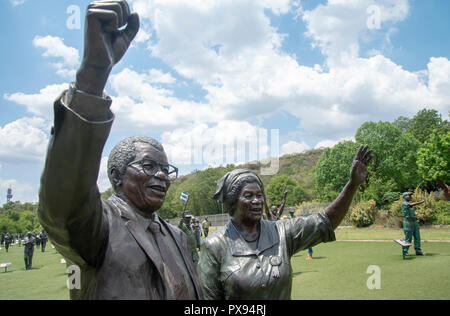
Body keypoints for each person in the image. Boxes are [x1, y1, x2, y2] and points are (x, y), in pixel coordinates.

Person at [38, 0, 202, 300]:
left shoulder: (177, 236)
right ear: (116, 176)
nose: (162, 177)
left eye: (166, 170)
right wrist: (93, 75)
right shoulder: (99, 228)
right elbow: (66, 203)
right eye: (149, 167)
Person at [198, 145, 372, 299]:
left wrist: (352, 185)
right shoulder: (214, 246)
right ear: (232, 202)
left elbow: (325, 221)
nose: (257, 201)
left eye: (260, 195)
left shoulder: (281, 232)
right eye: (248, 196)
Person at [401, 192, 425, 256]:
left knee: (417, 237)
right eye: (408, 195)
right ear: (404, 197)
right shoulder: (404, 203)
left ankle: (418, 250)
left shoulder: (409, 203)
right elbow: (411, 205)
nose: (410, 196)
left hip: (414, 222)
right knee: (408, 238)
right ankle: (405, 251)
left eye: (410, 195)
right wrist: (421, 202)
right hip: (408, 222)